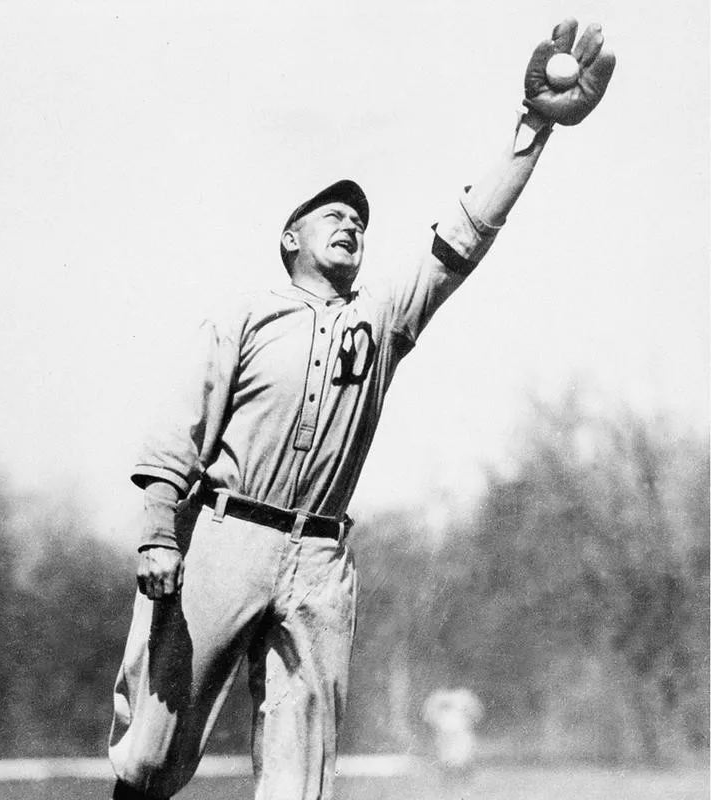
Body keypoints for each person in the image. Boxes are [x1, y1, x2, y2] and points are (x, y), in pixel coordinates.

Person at [108, 18, 615, 800]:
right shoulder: (246, 314)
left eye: (360, 219)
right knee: (148, 756)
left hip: (318, 558)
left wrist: (535, 128)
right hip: (225, 535)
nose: (351, 222)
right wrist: (154, 536)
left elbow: (466, 234)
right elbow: (177, 435)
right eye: (331, 213)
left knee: (300, 780)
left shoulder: (379, 317)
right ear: (289, 237)